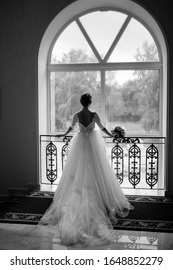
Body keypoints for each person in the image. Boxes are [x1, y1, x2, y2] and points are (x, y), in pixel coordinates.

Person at [39, 93, 133, 246]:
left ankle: (81, 197)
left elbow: (70, 128)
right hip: (92, 146)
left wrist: (63, 134)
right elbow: (102, 128)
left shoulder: (77, 115)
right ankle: (102, 199)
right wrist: (114, 136)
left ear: (81, 102)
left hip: (80, 146)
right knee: (98, 172)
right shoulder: (94, 115)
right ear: (90, 102)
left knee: (78, 172)